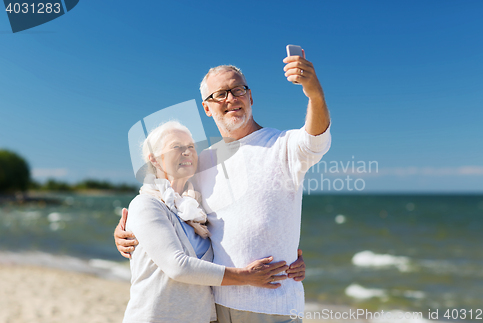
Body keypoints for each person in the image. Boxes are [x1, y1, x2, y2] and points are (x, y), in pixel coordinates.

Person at [117, 50, 330, 322]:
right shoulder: (201, 161)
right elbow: (166, 201)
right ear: (207, 107)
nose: (231, 99)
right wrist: (126, 230)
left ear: (250, 97)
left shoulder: (283, 146)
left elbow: (316, 137)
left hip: (274, 302)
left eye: (238, 90)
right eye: (220, 94)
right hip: (216, 305)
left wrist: (314, 93)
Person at [122, 120, 291, 323]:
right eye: (176, 146)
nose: (187, 152)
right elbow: (178, 266)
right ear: (155, 160)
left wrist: (289, 258)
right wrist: (246, 276)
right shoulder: (145, 204)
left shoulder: (196, 209)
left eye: (191, 146)